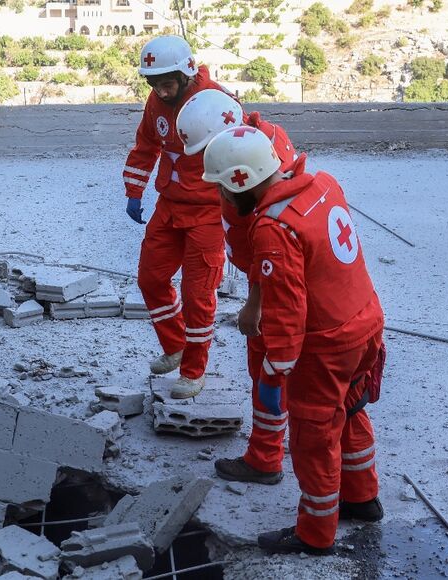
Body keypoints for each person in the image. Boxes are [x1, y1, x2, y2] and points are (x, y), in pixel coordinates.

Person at [202, 126, 387, 555]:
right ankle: (362, 498)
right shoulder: (322, 183)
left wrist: (274, 371)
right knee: (352, 408)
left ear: (242, 181)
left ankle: (315, 533)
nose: (224, 202)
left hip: (327, 345)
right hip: (364, 322)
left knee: (313, 435)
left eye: (225, 192)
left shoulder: (273, 228)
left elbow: (287, 316)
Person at [176, 89, 297, 485]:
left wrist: (255, 304)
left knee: (267, 370)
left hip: (276, 284)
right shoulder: (267, 145)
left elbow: (269, 248)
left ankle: (266, 457)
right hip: (289, 276)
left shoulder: (245, 185)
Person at [122, 36, 235, 399]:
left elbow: (241, 153)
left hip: (207, 213)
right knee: (150, 278)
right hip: (169, 206)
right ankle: (176, 344)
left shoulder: (217, 101)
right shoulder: (156, 102)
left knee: (197, 294)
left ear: (186, 72)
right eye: (153, 83)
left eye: (166, 82)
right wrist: (134, 191)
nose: (160, 90)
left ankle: (193, 370)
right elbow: (146, 145)